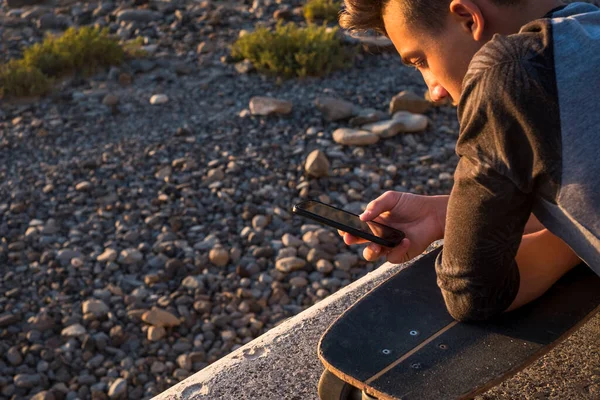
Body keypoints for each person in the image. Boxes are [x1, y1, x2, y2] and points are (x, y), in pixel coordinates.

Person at [337, 0, 600, 321]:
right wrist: (444, 215)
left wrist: (569, 244)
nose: (433, 90)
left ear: (468, 18)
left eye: (421, 60)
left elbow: (473, 291)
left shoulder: (512, 74)